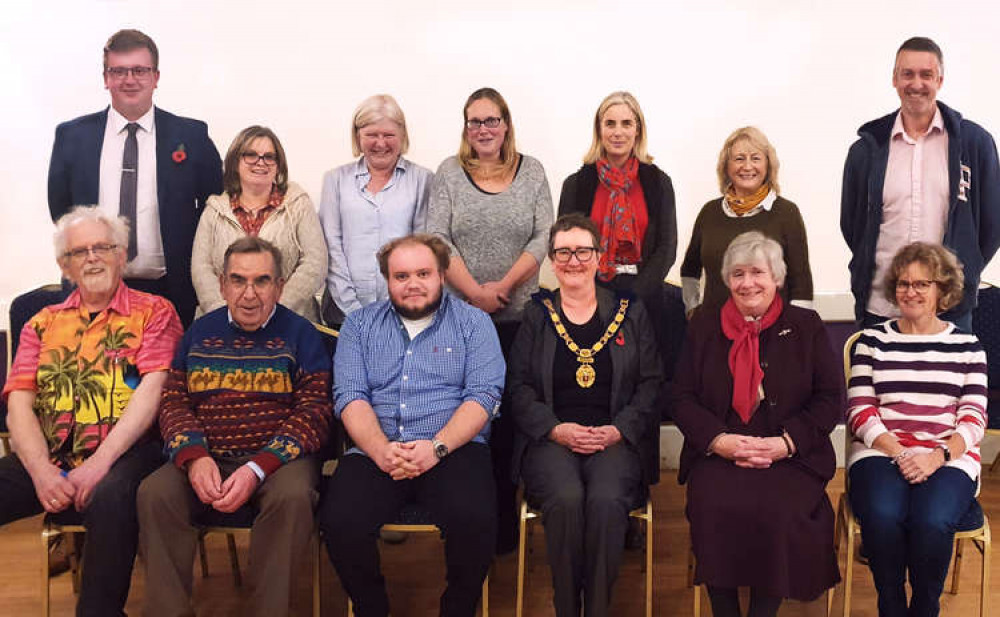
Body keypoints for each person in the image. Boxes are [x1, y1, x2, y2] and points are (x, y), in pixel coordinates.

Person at [0, 207, 183, 617]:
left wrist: (100, 462)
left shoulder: (155, 312)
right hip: (51, 454)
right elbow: (18, 404)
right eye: (79, 252)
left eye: (103, 247)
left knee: (111, 495)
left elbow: (151, 391)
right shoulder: (40, 323)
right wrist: (42, 471)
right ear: (66, 266)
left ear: (122, 255)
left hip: (132, 451)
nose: (92, 258)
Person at [137, 236, 332, 617]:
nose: (249, 293)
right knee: (153, 493)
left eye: (261, 281)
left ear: (278, 286)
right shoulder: (198, 333)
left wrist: (259, 466)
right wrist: (194, 458)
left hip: (278, 461)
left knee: (293, 498)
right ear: (222, 284)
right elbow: (174, 401)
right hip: (207, 454)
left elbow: (315, 413)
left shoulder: (301, 334)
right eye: (238, 280)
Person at [320, 234, 505, 617]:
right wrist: (379, 450)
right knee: (340, 521)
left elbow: (484, 396)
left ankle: (456, 610)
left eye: (424, 273)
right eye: (401, 275)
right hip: (378, 448)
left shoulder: (474, 323)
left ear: (441, 276)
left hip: (453, 448)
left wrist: (435, 448)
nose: (413, 284)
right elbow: (350, 396)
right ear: (387, 280)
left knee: (477, 519)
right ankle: (373, 608)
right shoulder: (359, 326)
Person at [672, 231, 841, 617]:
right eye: (737, 274)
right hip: (719, 451)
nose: (747, 283)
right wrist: (718, 440)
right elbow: (680, 397)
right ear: (726, 280)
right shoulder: (703, 326)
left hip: (789, 454)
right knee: (712, 505)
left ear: (777, 278)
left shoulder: (806, 325)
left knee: (778, 511)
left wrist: (787, 443)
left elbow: (830, 399)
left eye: (757, 273)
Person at [509, 214, 662, 617]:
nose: (573, 260)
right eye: (563, 252)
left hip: (616, 438)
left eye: (582, 251)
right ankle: (565, 608)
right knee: (566, 497)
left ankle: (596, 609)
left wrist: (618, 430)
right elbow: (519, 388)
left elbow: (651, 384)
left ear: (599, 257)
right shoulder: (537, 315)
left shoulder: (631, 311)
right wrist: (556, 430)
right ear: (552, 259)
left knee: (607, 500)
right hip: (551, 439)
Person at [426, 86, 554, 553]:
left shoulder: (533, 170)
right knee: (464, 417)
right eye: (474, 122)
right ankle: (463, 522)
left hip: (521, 318)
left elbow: (544, 236)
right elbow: (437, 238)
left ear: (506, 124)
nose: (483, 130)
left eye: (491, 120)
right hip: (459, 319)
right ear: (465, 128)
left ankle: (507, 527)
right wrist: (475, 293)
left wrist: (502, 287)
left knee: (511, 422)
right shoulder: (449, 173)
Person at [847, 242, 986, 617]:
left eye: (923, 284)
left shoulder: (967, 346)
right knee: (882, 514)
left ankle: (925, 608)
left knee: (932, 519)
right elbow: (860, 411)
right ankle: (890, 605)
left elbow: (974, 416)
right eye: (904, 283)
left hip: (947, 456)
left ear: (942, 290)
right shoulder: (873, 341)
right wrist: (902, 453)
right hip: (882, 451)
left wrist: (937, 456)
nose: (911, 292)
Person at [47, 29, 223, 326]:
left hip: (170, 292)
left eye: (140, 70)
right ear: (106, 78)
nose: (129, 80)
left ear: (155, 77)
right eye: (119, 71)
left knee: (163, 373)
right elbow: (61, 209)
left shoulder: (191, 136)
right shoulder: (72, 136)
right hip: (92, 290)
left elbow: (214, 207)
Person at [841, 36, 1000, 331]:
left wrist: (965, 269)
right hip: (880, 309)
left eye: (926, 75)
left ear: (939, 79)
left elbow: (992, 226)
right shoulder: (866, 150)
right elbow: (852, 226)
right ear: (894, 79)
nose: (916, 84)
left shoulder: (974, 144)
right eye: (907, 74)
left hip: (948, 313)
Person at [558, 91, 677, 341]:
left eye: (626, 123)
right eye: (610, 123)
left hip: (646, 300)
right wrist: (597, 298)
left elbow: (667, 247)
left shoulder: (658, 183)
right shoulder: (577, 184)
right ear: (599, 130)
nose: (617, 132)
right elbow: (566, 249)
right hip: (588, 300)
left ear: (638, 130)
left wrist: (634, 298)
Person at [191, 125, 327, 321]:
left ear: (278, 164)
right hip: (222, 323)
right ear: (235, 161)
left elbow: (315, 263)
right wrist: (225, 314)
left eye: (269, 157)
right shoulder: (214, 210)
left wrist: (276, 309)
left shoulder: (299, 204)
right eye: (251, 155)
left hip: (288, 320)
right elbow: (201, 268)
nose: (260, 163)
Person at [319, 94, 433, 326]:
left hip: (403, 315)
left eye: (389, 135)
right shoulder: (335, 180)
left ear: (402, 136)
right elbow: (332, 247)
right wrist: (354, 312)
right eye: (372, 135)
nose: (380, 143)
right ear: (357, 135)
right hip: (343, 316)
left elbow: (423, 250)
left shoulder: (423, 180)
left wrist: (400, 308)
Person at [681, 126, 812, 315]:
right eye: (739, 159)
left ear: (768, 166)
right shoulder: (709, 212)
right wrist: (693, 311)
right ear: (727, 166)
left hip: (773, 335)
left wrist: (798, 330)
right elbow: (690, 270)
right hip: (715, 334)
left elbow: (801, 284)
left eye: (756, 158)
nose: (748, 166)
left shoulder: (787, 213)